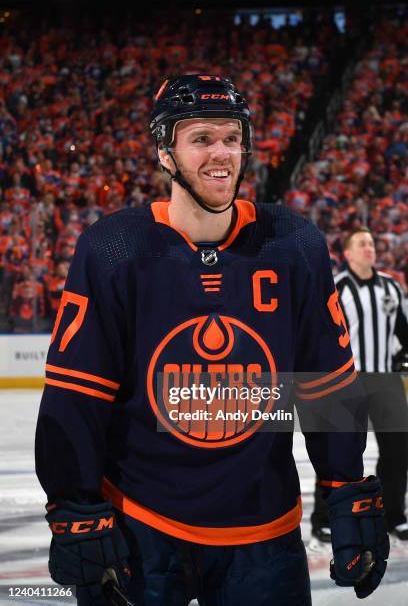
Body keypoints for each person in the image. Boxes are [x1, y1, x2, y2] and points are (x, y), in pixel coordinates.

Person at [35, 75, 389, 606]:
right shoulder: (113, 249)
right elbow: (77, 395)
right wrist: (75, 508)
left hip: (264, 528)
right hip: (141, 526)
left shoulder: (294, 244)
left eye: (231, 136)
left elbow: (327, 378)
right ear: (164, 150)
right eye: (201, 138)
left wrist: (346, 487)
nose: (221, 153)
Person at [311, 226, 408, 542]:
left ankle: (393, 514)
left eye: (371, 243)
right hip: (346, 381)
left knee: (398, 450)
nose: (369, 248)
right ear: (348, 254)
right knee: (336, 450)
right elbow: (321, 332)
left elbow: (403, 332)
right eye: (362, 244)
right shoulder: (336, 287)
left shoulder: (391, 288)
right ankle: (325, 518)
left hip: (385, 379)